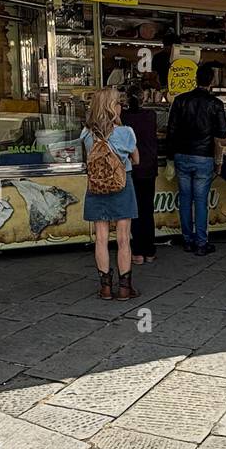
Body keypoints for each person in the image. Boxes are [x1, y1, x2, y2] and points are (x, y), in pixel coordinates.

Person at [81, 88, 140, 300]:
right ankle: (125, 288)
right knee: (124, 238)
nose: (121, 107)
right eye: (118, 104)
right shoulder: (126, 132)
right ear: (111, 107)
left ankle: (105, 287)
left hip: (96, 187)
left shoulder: (87, 134)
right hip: (122, 186)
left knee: (101, 238)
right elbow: (137, 159)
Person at [165, 63, 226, 256]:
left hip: (181, 156)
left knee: (185, 199)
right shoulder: (215, 104)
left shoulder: (180, 100)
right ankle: (201, 243)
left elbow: (171, 130)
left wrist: (170, 156)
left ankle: (187, 239)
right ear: (212, 81)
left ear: (195, 79)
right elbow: (223, 132)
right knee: (200, 201)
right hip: (203, 158)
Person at [121, 84, 159, 265]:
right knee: (147, 210)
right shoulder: (151, 116)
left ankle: (137, 252)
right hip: (149, 167)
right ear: (143, 98)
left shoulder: (123, 117)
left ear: (126, 100)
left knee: (134, 211)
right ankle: (150, 251)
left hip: (130, 168)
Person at [151, 32, 178, 101]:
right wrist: (161, 89)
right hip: (164, 90)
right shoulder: (158, 57)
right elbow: (153, 78)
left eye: (166, 45)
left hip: (181, 90)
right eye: (165, 45)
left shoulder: (183, 57)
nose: (165, 47)